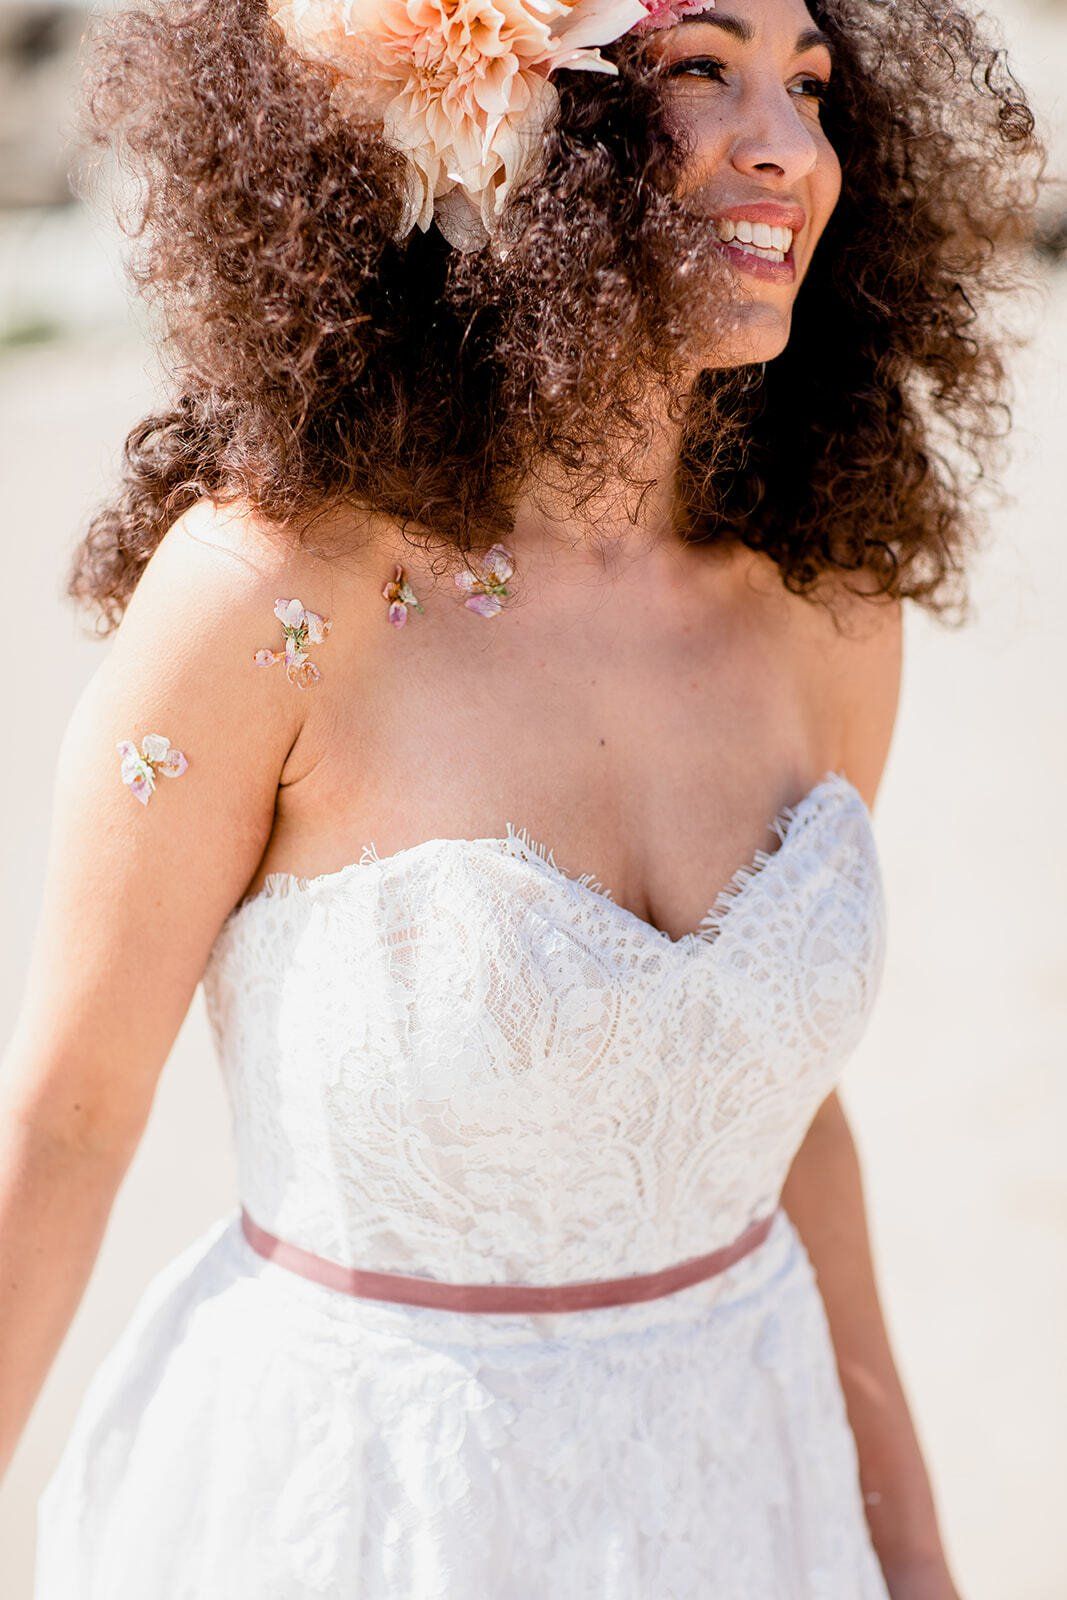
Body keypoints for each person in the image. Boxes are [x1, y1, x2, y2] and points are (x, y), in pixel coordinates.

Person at [0, 0, 1041, 1592]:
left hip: (751, 1506)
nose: (791, 147)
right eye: (704, 66)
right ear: (518, 118)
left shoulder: (827, 603)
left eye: (813, 84)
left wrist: (915, 1556)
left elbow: (777, 1106)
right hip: (360, 1520)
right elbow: (68, 1125)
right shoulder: (269, 601)